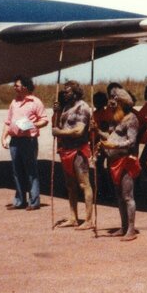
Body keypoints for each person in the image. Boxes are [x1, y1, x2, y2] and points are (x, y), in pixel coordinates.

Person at [98, 88, 141, 241]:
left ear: (122, 102)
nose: (111, 104)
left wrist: (114, 147)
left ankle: (131, 229)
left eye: (114, 101)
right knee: (119, 196)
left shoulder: (131, 119)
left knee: (127, 196)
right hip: (114, 161)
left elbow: (131, 141)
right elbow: (111, 137)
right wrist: (97, 131)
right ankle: (123, 226)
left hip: (126, 161)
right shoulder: (116, 118)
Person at [52, 80, 95, 230]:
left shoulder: (82, 107)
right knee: (70, 186)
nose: (65, 93)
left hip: (78, 150)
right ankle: (73, 217)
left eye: (68, 91)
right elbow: (57, 124)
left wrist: (60, 133)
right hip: (65, 150)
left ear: (75, 92)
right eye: (64, 90)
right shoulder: (66, 107)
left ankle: (89, 220)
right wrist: (56, 112)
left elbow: (79, 130)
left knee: (84, 184)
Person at [1, 75, 48, 211]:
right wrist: (3, 137)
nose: (14, 87)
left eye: (17, 85)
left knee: (31, 171)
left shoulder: (35, 102)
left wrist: (32, 125)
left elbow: (44, 120)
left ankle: (34, 202)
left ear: (25, 87)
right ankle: (19, 201)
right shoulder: (14, 102)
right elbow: (8, 122)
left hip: (29, 140)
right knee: (17, 171)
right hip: (14, 141)